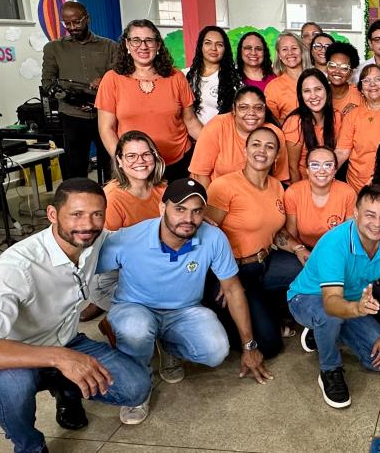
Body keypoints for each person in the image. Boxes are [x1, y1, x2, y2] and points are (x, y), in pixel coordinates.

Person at [0, 179, 152, 452]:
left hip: (66, 341)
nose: (87, 224)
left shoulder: (96, 240)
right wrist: (60, 357)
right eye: (76, 214)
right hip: (17, 356)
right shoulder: (17, 265)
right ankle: (30, 445)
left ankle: (66, 388)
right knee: (13, 386)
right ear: (52, 214)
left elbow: (146, 234)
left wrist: (191, 219)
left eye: (97, 214)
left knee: (136, 388)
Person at [98, 178, 271, 424]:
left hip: (184, 310)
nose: (188, 218)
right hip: (135, 306)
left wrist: (249, 346)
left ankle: (168, 346)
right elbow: (83, 269)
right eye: (179, 209)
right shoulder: (129, 238)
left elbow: (233, 290)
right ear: (162, 208)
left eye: (196, 211)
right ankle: (137, 390)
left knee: (216, 350)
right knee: (135, 328)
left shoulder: (213, 237)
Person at [287, 185, 380, 408]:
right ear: (356, 213)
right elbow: (331, 302)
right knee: (329, 316)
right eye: (370, 215)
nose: (377, 223)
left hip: (350, 302)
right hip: (308, 298)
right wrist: (357, 309)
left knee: (378, 362)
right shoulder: (335, 243)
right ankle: (329, 369)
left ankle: (320, 334)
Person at [204, 128, 308, 360]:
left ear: (277, 155)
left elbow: (274, 230)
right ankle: (219, 316)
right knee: (269, 346)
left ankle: (273, 310)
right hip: (234, 270)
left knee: (311, 268)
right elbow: (207, 236)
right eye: (256, 144)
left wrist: (298, 248)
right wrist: (224, 277)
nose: (262, 151)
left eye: (269, 147)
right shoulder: (224, 186)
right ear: (245, 150)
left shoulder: (277, 186)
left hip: (265, 262)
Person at [96, 19, 202, 183]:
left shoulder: (176, 77)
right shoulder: (112, 79)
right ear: (127, 44)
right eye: (136, 40)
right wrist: (123, 161)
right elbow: (106, 129)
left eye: (149, 40)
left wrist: (217, 145)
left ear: (158, 45)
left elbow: (191, 121)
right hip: (136, 167)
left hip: (179, 163)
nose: (143, 46)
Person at [83, 131, 168, 322]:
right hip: (114, 271)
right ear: (119, 161)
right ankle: (107, 310)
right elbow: (106, 255)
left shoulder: (162, 189)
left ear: (154, 157)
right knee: (161, 307)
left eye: (146, 154)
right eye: (131, 156)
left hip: (149, 262)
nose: (140, 161)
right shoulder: (111, 198)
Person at [42, 1, 118, 181]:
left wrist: (105, 80)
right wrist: (73, 100)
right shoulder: (53, 48)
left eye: (77, 22)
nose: (72, 27)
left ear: (87, 19)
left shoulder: (110, 46)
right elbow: (47, 83)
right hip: (72, 117)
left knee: (112, 166)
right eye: (67, 23)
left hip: (105, 115)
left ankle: (112, 197)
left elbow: (120, 79)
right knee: (75, 169)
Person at [188, 85, 289, 188]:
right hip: (216, 193)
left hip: (257, 194)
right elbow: (200, 174)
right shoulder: (217, 126)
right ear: (234, 109)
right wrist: (211, 198)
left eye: (258, 108)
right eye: (243, 107)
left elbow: (279, 179)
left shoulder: (274, 135)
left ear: (264, 110)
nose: (251, 113)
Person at [284, 146, 357, 253]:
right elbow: (292, 235)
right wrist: (301, 252)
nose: (322, 171)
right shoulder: (293, 192)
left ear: (335, 170)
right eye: (315, 165)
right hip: (304, 249)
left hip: (336, 249)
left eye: (328, 165)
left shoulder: (348, 192)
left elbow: (351, 234)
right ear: (307, 170)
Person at [283, 69, 339, 183]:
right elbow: (292, 167)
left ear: (327, 90)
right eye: (307, 91)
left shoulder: (336, 116)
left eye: (318, 89)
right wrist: (301, 192)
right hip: (302, 185)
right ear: (301, 95)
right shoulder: (295, 122)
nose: (313, 96)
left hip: (327, 182)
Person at [185, 25, 239, 127]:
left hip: (221, 133)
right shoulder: (187, 75)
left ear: (225, 49)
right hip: (192, 134)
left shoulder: (233, 78)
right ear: (200, 46)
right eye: (208, 43)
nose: (213, 48)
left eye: (219, 44)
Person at [264, 32, 309, 124]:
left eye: (294, 48)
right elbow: (272, 123)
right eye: (284, 49)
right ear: (279, 55)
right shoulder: (273, 87)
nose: (290, 53)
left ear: (302, 51)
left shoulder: (317, 79)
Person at [325, 41, 364, 120]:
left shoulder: (360, 94)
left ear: (350, 73)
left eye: (344, 68)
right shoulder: (319, 93)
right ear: (327, 68)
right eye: (332, 66)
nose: (337, 71)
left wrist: (360, 111)